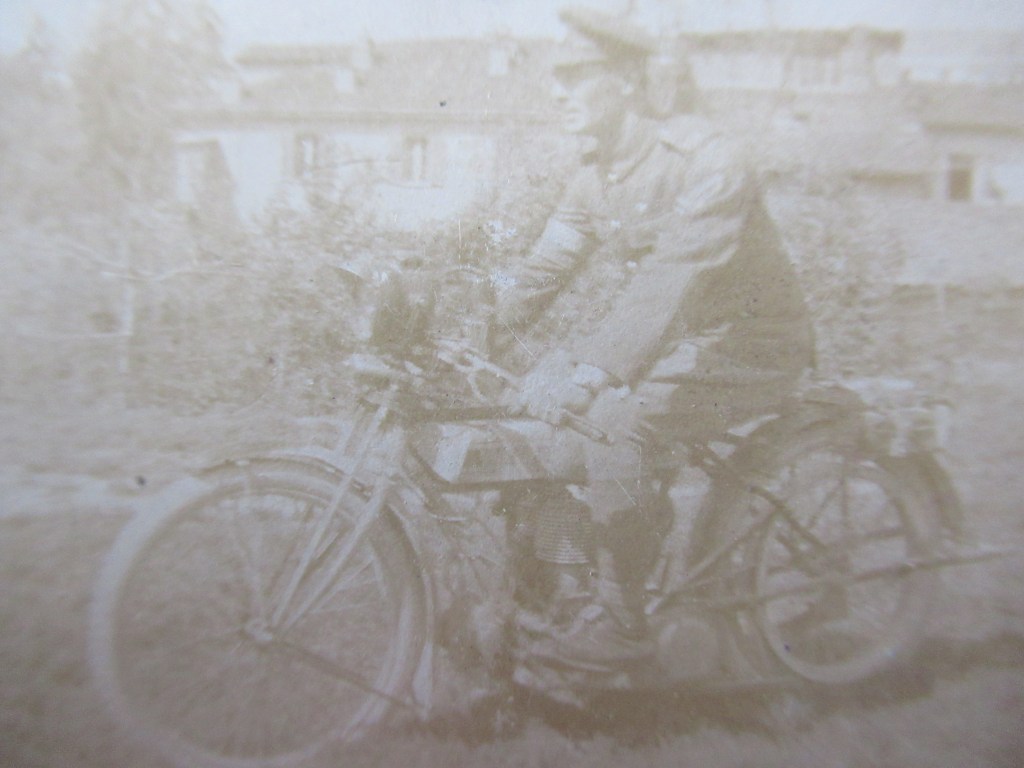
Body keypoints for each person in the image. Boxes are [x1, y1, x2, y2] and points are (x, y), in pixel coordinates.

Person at [490, 8, 815, 669]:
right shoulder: (596, 175)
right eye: (556, 78)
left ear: (628, 81)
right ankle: (552, 593)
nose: (557, 92)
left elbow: (672, 275)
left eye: (576, 77)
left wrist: (592, 373)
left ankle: (623, 624)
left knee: (619, 432)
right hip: (679, 343)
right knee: (530, 430)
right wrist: (476, 329)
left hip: (752, 344)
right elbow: (547, 265)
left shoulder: (710, 159)